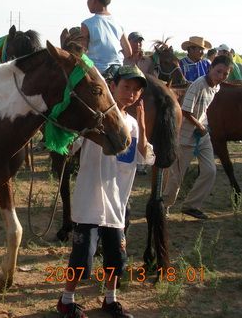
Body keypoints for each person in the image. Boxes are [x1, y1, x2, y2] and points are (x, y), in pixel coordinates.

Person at [56, 65, 154, 318]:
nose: (130, 93)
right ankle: (66, 300)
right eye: (126, 87)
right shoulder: (94, 119)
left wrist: (142, 125)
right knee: (82, 255)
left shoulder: (132, 124)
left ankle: (110, 300)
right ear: (113, 87)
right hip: (89, 199)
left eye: (135, 90)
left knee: (116, 257)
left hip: (117, 203)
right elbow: (70, 145)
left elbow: (144, 157)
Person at [163, 55, 233, 219]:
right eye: (218, 72)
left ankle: (191, 205)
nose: (221, 76)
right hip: (187, 135)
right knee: (176, 177)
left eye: (225, 74)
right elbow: (185, 111)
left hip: (202, 134)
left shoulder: (216, 87)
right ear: (210, 68)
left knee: (210, 171)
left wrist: (203, 127)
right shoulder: (198, 85)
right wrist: (200, 126)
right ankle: (163, 205)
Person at [80, 0, 132, 74]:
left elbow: (82, 54)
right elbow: (128, 52)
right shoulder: (118, 23)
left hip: (97, 73)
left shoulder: (86, 24)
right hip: (118, 72)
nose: (87, 2)